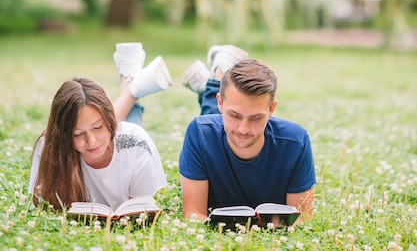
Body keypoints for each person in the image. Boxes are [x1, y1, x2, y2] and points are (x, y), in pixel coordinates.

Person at [179, 45, 316, 221]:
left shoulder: (296, 141)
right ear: (220, 102)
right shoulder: (199, 132)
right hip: (214, 123)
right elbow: (193, 214)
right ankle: (218, 76)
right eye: (234, 115)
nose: (243, 129)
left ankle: (215, 78)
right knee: (211, 123)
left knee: (221, 124)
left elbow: (301, 221)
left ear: (272, 109)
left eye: (256, 118)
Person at [29, 43, 171, 211]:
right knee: (97, 124)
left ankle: (130, 84)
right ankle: (131, 86)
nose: (91, 141)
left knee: (127, 138)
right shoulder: (50, 146)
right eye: (77, 134)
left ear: (110, 120)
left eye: (98, 128)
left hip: (124, 141)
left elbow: (138, 212)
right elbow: (41, 204)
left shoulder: (135, 142)